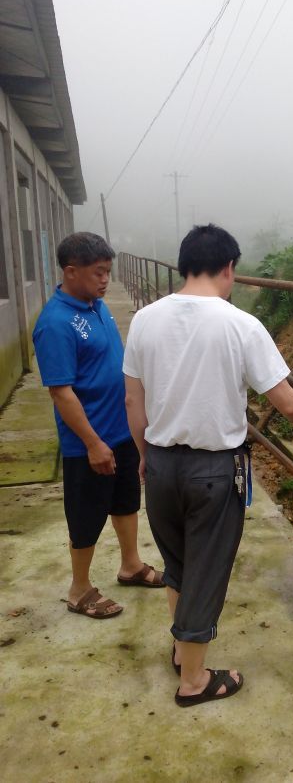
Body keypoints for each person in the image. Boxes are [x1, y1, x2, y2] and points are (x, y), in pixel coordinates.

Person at [123, 223, 293, 707]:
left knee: (178, 563)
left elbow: (132, 402)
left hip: (159, 464)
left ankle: (183, 652)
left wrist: (143, 457)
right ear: (228, 268)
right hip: (212, 470)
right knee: (206, 569)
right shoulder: (240, 325)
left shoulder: (145, 321)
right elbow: (286, 401)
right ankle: (194, 681)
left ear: (184, 266)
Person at [32, 232, 164, 621]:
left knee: (125, 501)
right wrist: (92, 443)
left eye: (108, 272)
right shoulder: (55, 323)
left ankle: (131, 565)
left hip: (120, 431)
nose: (106, 279)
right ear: (71, 272)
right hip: (88, 443)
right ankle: (79, 589)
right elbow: (62, 393)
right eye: (98, 272)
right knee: (86, 515)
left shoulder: (97, 307)